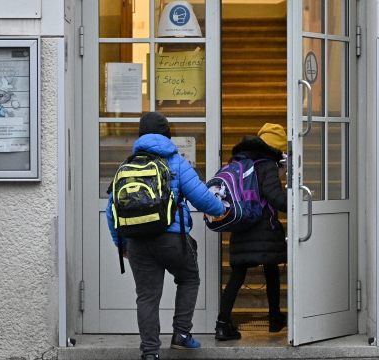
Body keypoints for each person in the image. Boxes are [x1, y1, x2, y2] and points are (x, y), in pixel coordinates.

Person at [106, 112, 225, 360]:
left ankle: (150, 352)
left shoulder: (126, 165)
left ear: (140, 135)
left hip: (137, 241)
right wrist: (222, 210)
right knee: (189, 278)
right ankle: (181, 335)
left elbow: (111, 210)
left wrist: (122, 245)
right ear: (167, 134)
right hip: (172, 239)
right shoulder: (176, 162)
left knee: (147, 296)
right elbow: (201, 197)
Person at [215, 123, 288, 341]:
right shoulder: (267, 165)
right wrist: (297, 201)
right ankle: (274, 318)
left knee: (237, 275)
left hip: (242, 223)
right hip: (264, 227)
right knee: (271, 269)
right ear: (276, 147)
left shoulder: (239, 161)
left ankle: (222, 324)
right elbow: (274, 196)